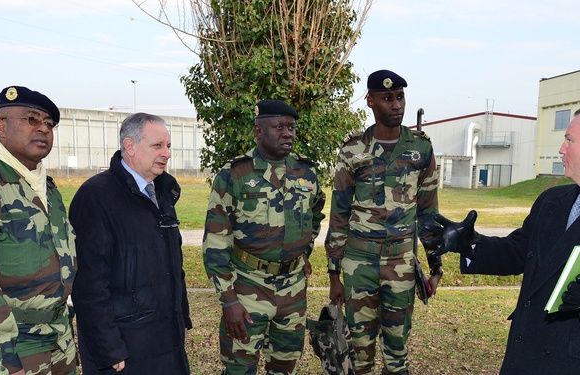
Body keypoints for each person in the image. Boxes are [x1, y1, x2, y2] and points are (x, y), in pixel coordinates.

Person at [424, 113, 580, 374]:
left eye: (569, 140)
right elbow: (518, 252)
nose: (561, 149)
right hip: (525, 350)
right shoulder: (552, 200)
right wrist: (470, 244)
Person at [324, 70, 443, 375]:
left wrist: (435, 266)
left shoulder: (420, 148)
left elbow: (428, 212)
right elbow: (339, 213)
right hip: (358, 262)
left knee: (397, 352)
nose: (396, 105)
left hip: (401, 262)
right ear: (371, 101)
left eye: (400, 97)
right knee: (359, 355)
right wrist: (334, 274)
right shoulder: (353, 149)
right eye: (387, 98)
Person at [203, 99, 326, 374]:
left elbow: (316, 212)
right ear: (258, 132)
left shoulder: (306, 172)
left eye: (291, 128)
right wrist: (229, 300)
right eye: (279, 127)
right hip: (247, 287)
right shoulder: (234, 175)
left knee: (285, 367)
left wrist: (304, 252)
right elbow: (215, 242)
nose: (288, 133)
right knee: (239, 368)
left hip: (293, 290)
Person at [69, 112, 191, 374]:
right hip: (124, 349)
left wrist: (181, 318)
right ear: (130, 146)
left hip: (166, 340)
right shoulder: (95, 197)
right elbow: (89, 285)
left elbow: (174, 266)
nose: (167, 153)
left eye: (168, 146)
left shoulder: (163, 192)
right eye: (157, 145)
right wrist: (107, 347)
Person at [0, 86, 77, 374]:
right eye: (31, 119)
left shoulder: (47, 189)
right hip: (12, 348)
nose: (43, 129)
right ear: (0, 127)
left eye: (49, 123)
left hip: (59, 339)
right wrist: (6, 360)